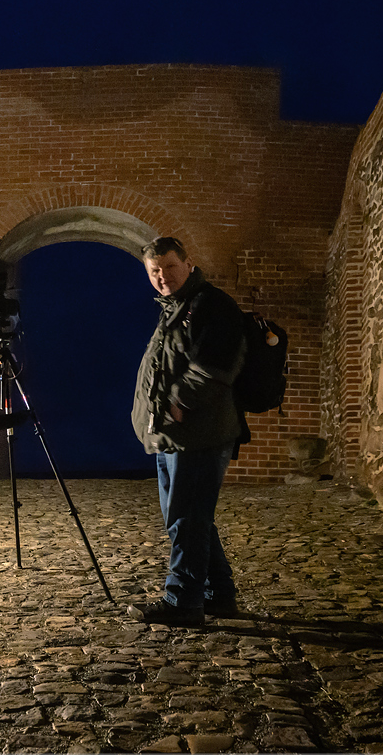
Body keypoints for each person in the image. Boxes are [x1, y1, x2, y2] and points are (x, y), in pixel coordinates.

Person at [128, 236, 247, 627]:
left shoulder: (211, 304)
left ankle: (183, 602)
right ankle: (219, 594)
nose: (163, 277)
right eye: (154, 271)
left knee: (187, 518)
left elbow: (216, 365)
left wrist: (178, 402)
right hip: (173, 435)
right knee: (190, 517)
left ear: (188, 263)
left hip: (199, 433)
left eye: (169, 267)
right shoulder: (174, 309)